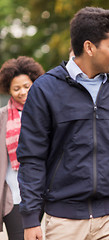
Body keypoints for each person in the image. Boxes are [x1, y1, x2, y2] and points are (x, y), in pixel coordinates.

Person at [16, 7, 109, 240]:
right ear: (89, 47)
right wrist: (31, 218)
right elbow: (32, 157)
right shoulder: (45, 90)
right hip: (64, 221)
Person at [0, 56, 44, 240]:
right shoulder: (2, 116)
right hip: (13, 194)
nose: (22, 92)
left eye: (27, 86)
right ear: (8, 89)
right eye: (16, 88)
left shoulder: (45, 113)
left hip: (41, 191)